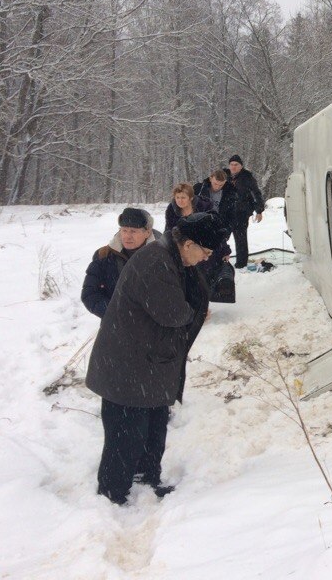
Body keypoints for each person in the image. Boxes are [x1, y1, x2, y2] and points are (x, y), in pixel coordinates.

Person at [85, 213, 227, 505]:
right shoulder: (156, 262)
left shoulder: (170, 257)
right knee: (126, 433)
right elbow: (172, 313)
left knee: (152, 425)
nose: (205, 259)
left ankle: (145, 479)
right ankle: (112, 493)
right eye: (205, 251)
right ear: (188, 244)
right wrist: (192, 312)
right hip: (128, 364)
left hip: (148, 361)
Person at [81, 208, 159, 318]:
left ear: (147, 232)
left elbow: (170, 296)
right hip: (115, 325)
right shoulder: (104, 255)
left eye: (133, 231)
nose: (127, 236)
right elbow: (90, 294)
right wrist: (118, 313)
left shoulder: (161, 256)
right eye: (124, 230)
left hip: (152, 326)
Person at [168, 181, 235, 303]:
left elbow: (216, 230)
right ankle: (191, 302)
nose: (180, 201)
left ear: (191, 198)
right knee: (187, 276)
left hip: (205, 246)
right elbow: (169, 230)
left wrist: (225, 250)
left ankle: (204, 302)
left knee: (204, 276)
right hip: (185, 248)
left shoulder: (205, 207)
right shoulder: (172, 210)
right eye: (177, 197)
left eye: (183, 197)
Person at [224, 154, 265, 268]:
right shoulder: (224, 175)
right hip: (226, 213)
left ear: (241, 166)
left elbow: (256, 193)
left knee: (240, 239)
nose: (233, 167)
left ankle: (241, 264)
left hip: (241, 212)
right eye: (231, 164)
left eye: (236, 165)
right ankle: (219, 260)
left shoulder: (247, 177)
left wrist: (259, 210)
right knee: (221, 237)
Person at [193, 169, 238, 236]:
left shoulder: (230, 193)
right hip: (199, 226)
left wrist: (227, 232)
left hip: (219, 228)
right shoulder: (198, 189)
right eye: (215, 183)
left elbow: (232, 214)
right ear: (211, 179)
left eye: (221, 185)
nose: (217, 187)